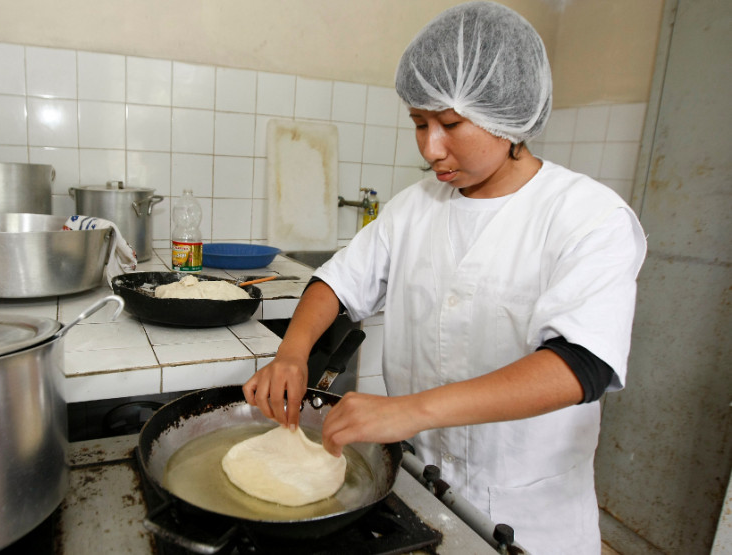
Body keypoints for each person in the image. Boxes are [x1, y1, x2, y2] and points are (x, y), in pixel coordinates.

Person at [242, 2, 647, 553]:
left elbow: (582, 365)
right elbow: (336, 284)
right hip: (420, 489)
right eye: (419, 124)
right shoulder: (415, 207)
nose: (431, 148)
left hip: (528, 512)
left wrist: (407, 409)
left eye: (450, 124)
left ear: (508, 116)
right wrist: (293, 350)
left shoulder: (589, 217)